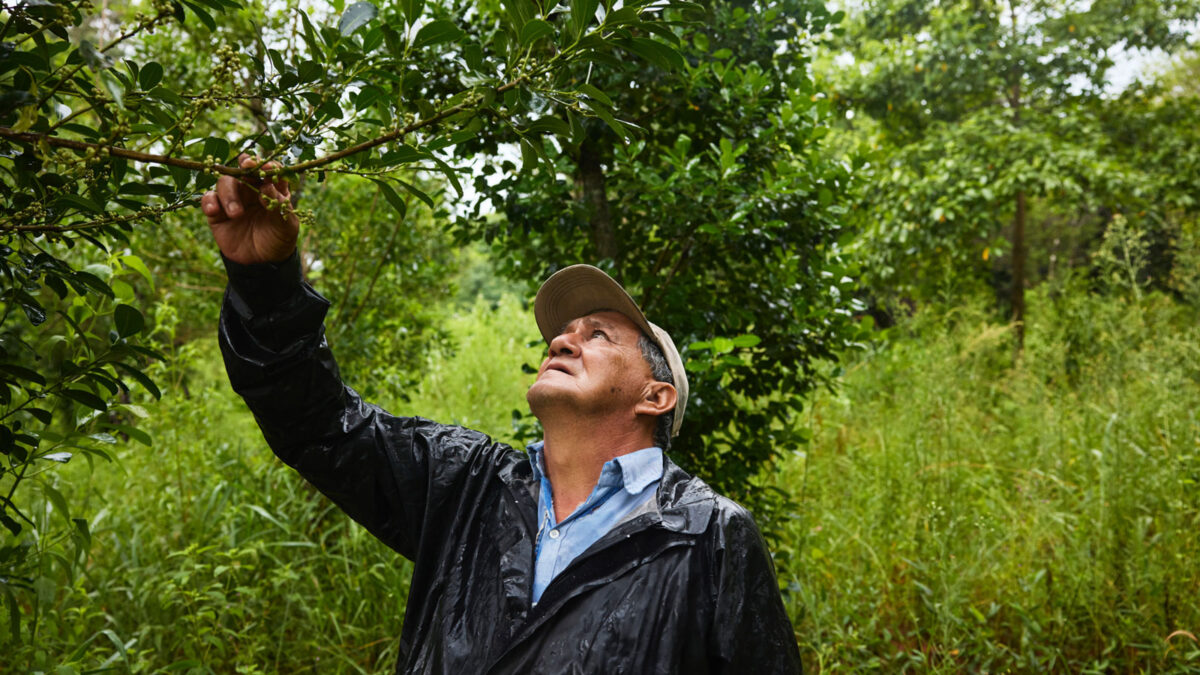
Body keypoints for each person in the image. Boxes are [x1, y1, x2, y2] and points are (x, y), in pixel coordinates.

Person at [202, 155, 802, 673]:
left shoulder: (710, 537)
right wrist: (266, 283)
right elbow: (316, 423)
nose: (563, 342)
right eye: (562, 334)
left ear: (655, 396)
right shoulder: (467, 487)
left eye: (598, 336)